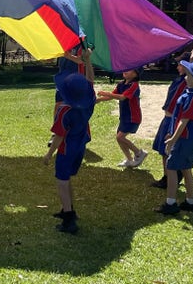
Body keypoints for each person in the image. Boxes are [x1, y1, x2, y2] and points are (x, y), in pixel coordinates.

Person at [155, 57, 193, 216]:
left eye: (188, 75)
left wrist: (173, 138)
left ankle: (170, 203)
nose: (185, 77)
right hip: (190, 138)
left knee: (172, 168)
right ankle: (190, 201)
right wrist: (171, 132)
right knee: (186, 169)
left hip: (185, 138)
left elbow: (184, 121)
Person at [43, 72, 96, 235]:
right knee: (66, 179)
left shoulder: (64, 110)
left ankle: (69, 219)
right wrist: (87, 61)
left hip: (66, 149)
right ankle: (68, 207)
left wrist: (49, 154)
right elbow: (90, 82)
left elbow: (59, 136)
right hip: (80, 147)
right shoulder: (89, 102)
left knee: (61, 181)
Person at [151, 39, 193, 189]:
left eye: (180, 63)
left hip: (173, 120)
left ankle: (171, 178)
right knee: (163, 150)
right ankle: (167, 177)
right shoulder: (179, 79)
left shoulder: (188, 80)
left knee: (169, 150)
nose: (177, 66)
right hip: (167, 118)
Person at [96, 68, 148, 168]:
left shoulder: (134, 85)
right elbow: (112, 96)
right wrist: (98, 100)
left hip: (133, 117)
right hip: (124, 117)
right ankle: (129, 160)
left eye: (129, 70)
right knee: (120, 139)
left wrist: (106, 93)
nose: (125, 71)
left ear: (135, 74)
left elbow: (122, 97)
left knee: (120, 137)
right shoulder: (121, 84)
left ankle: (139, 153)